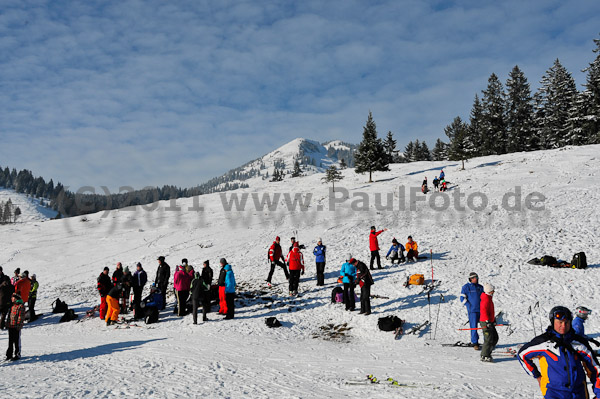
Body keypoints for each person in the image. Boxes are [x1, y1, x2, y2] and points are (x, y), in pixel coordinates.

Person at [518, 306, 600, 398]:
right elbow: (522, 355)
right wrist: (537, 376)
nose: (563, 326)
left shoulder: (579, 343)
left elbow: (595, 369)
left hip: (578, 393)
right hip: (553, 393)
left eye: (567, 322)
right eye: (560, 322)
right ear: (553, 322)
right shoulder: (543, 342)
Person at [460, 272, 484, 350]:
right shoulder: (466, 287)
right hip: (472, 311)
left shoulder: (480, 287)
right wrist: (469, 306)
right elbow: (462, 298)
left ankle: (487, 342)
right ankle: (475, 343)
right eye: (474, 278)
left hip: (481, 310)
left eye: (477, 277)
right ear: (470, 279)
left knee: (485, 326)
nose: (476, 279)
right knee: (474, 327)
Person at [479, 283, 498, 362]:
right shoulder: (485, 299)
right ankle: (484, 355)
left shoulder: (489, 298)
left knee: (494, 338)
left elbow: (490, 311)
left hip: (490, 321)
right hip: (485, 321)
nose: (493, 292)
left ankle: (488, 352)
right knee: (489, 339)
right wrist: (487, 321)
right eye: (492, 291)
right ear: (489, 291)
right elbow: (483, 311)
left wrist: (493, 320)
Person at [5, 293, 25, 361]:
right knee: (10, 341)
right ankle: (9, 354)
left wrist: (19, 325)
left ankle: (17, 354)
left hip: (16, 326)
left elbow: (21, 317)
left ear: (16, 298)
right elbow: (9, 316)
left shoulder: (20, 306)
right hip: (11, 325)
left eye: (12, 298)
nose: (11, 299)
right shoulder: (12, 306)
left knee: (16, 341)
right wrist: (7, 324)